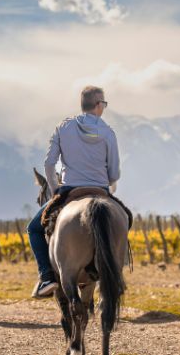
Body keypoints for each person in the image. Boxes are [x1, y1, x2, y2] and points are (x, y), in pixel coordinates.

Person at [28, 86, 120, 298]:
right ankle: (116, 268)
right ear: (98, 105)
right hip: (101, 189)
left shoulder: (63, 127)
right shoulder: (108, 132)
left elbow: (49, 164)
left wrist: (54, 191)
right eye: (104, 104)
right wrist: (108, 182)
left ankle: (47, 277)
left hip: (69, 190)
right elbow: (114, 172)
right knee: (124, 220)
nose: (104, 108)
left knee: (33, 229)